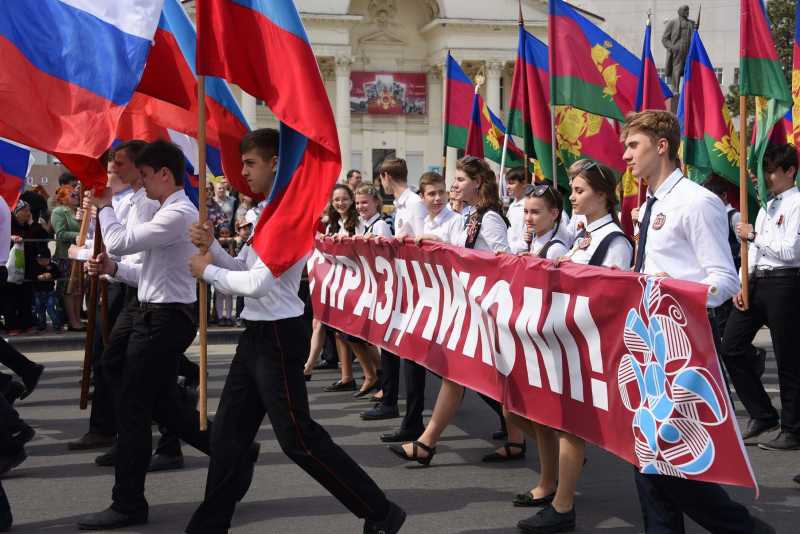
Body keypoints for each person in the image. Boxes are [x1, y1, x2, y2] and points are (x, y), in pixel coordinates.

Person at [184, 128, 405, 534]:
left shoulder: (289, 216)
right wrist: (213, 248)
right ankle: (208, 525)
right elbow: (242, 271)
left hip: (278, 337)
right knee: (229, 438)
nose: (243, 172)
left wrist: (207, 270)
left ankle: (379, 510)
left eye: (250, 164)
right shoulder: (268, 213)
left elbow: (259, 283)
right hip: (255, 335)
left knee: (299, 440)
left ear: (274, 164)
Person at [622, 109, 773, 534]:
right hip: (649, 347)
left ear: (662, 146)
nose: (627, 156)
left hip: (684, 350)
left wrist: (676, 290)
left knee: (663, 460)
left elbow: (724, 280)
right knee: (649, 456)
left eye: (634, 145)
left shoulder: (696, 201)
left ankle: (743, 528)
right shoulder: (650, 204)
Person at [77, 140, 230, 530]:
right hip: (150, 311)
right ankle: (228, 449)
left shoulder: (179, 213)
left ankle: (128, 502)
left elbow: (121, 240)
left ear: (165, 174)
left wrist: (106, 206)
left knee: (133, 404)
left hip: (167, 317)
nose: (140, 184)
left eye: (145, 176)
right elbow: (141, 268)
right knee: (138, 388)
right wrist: (112, 266)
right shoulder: (166, 209)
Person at [511, 160, 632, 534]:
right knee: (548, 418)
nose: (573, 197)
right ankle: (554, 488)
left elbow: (611, 300)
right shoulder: (585, 237)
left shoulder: (615, 242)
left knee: (569, 427)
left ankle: (563, 507)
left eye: (579, 190)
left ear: (602, 194)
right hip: (563, 340)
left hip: (586, 345)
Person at [390, 156, 525, 465]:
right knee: (501, 380)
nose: (454, 185)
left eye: (461, 180)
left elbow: (502, 259)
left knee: (459, 374)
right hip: (469, 305)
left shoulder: (488, 217)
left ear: (477, 183)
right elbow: (455, 244)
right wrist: (424, 238)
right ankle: (519, 442)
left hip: (486, 307)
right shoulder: (467, 215)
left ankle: (426, 443)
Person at [67, 140, 155, 454]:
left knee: (120, 363)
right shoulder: (119, 200)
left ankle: (127, 431)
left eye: (116, 164)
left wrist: (83, 252)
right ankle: (110, 428)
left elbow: (119, 246)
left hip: (134, 288)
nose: (110, 170)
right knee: (111, 361)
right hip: (118, 281)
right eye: (109, 165)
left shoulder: (140, 202)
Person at [721, 143, 800, 451]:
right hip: (757, 283)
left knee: (788, 358)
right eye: (763, 171)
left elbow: (790, 251)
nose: (765, 177)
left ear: (790, 171)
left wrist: (753, 235)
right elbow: (752, 251)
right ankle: (763, 414)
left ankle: (793, 428)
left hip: (786, 283)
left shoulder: (795, 203)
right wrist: (744, 282)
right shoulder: (768, 206)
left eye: (771, 171)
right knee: (731, 347)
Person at [361, 158, 427, 424]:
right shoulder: (402, 205)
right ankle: (389, 400)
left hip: (414, 289)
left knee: (413, 359)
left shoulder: (413, 204)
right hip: (399, 285)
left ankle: (411, 418)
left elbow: (423, 243)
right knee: (389, 343)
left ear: (385, 176)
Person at [319, 184, 364, 393]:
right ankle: (346, 376)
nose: (340, 203)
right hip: (339, 283)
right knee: (339, 332)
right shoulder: (332, 224)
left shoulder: (359, 222)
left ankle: (375, 371)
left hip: (358, 282)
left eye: (344, 199)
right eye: (336, 199)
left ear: (351, 199)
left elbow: (364, 249)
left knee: (357, 334)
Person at [51, 185, 84, 331]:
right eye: (72, 195)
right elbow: (60, 233)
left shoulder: (79, 211)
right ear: (63, 199)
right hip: (66, 256)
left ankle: (77, 319)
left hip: (80, 255)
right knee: (69, 290)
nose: (76, 196)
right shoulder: (59, 211)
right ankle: (72, 320)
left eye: (76, 195)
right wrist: (78, 236)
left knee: (78, 290)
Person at [521, 183, 570, 260]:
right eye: (526, 211)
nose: (528, 218)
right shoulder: (536, 240)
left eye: (535, 212)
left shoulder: (555, 250)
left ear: (554, 214)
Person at [30, 248, 62, 332]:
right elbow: (30, 276)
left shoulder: (53, 266)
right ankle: (41, 324)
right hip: (38, 292)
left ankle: (57, 324)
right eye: (39, 260)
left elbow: (58, 274)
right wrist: (37, 277)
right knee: (40, 310)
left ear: (49, 259)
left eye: (44, 260)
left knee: (51, 309)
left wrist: (51, 275)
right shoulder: (35, 266)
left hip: (50, 292)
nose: (42, 262)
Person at [505, 167, 532, 253]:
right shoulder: (512, 206)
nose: (507, 187)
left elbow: (526, 240)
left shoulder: (528, 206)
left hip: (518, 254)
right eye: (507, 183)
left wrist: (508, 249)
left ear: (524, 183)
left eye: (511, 183)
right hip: (508, 252)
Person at [214, 225, 236, 326]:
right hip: (218, 272)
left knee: (228, 296)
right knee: (219, 296)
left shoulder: (231, 244)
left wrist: (230, 245)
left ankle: (228, 316)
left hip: (228, 273)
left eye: (227, 233)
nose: (225, 236)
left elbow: (231, 258)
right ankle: (219, 317)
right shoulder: (216, 245)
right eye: (222, 233)